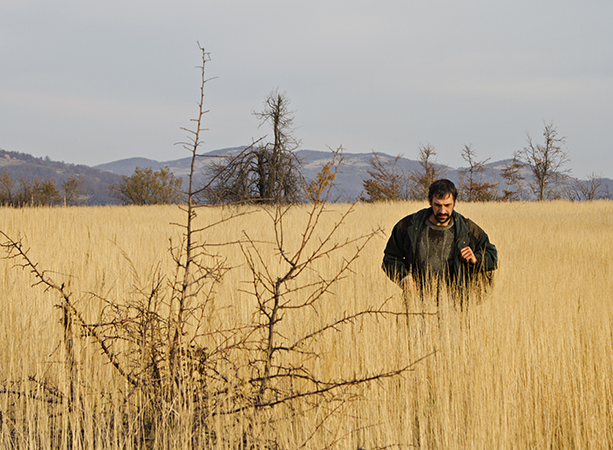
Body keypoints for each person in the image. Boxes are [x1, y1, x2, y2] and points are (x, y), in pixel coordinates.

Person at [382, 179, 498, 305]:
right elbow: (390, 258)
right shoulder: (408, 226)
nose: (442, 211)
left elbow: (492, 257)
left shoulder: (467, 229)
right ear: (429, 201)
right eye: (438, 205)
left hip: (456, 304)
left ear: (455, 203)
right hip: (417, 304)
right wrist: (404, 279)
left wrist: (476, 259)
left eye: (447, 205)